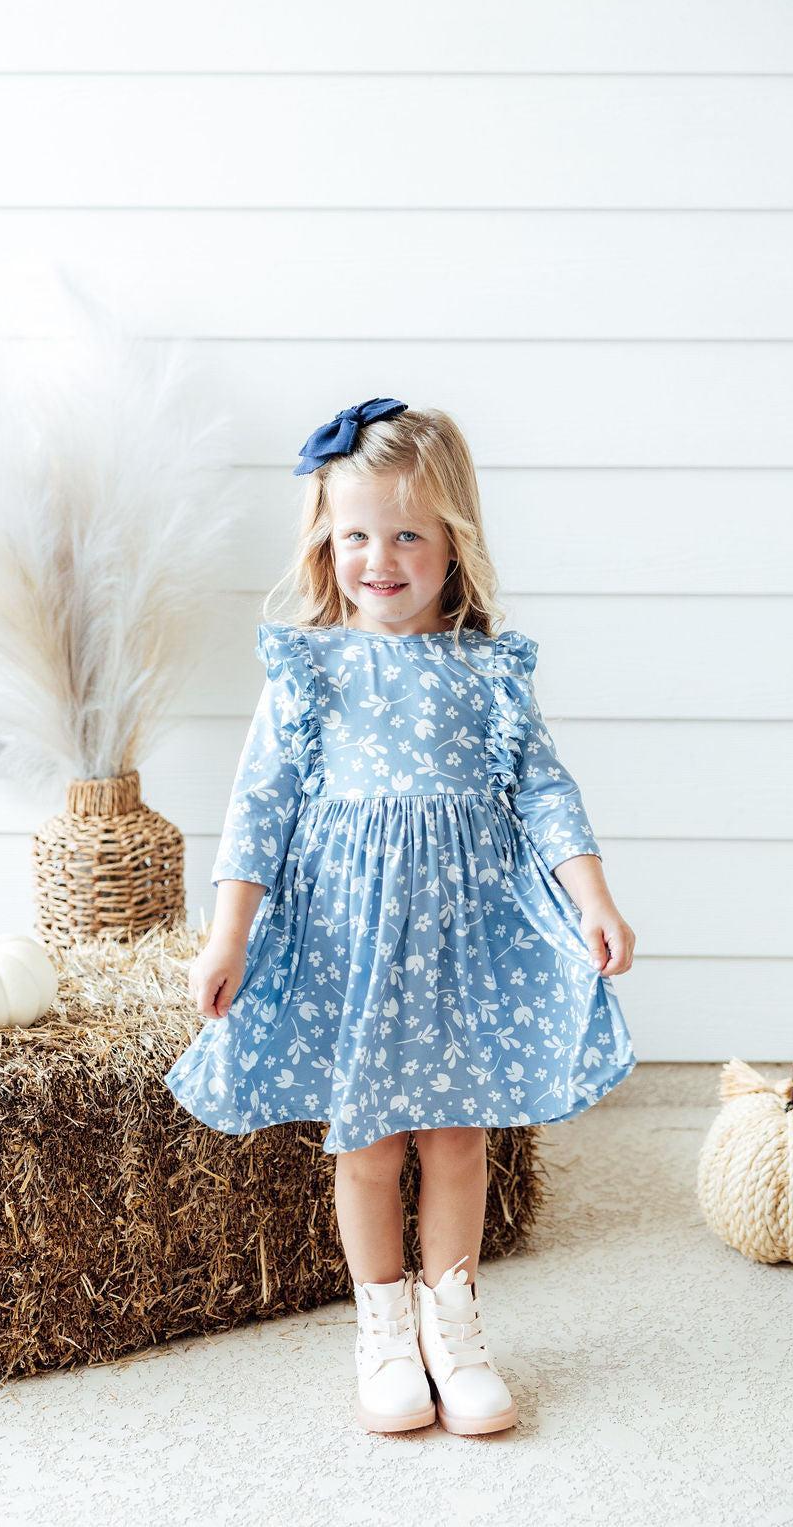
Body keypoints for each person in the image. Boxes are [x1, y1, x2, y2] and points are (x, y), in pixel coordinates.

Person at [165, 398, 638, 1437]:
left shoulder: (489, 667)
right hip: (349, 941)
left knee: (457, 1138)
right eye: (355, 535)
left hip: (460, 942)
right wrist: (227, 932)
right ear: (325, 542)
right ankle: (382, 1329)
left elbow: (544, 792)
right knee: (369, 1145)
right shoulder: (307, 667)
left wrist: (591, 895)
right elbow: (259, 807)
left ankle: (452, 1326)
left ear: (453, 540)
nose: (379, 557)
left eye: (407, 533)